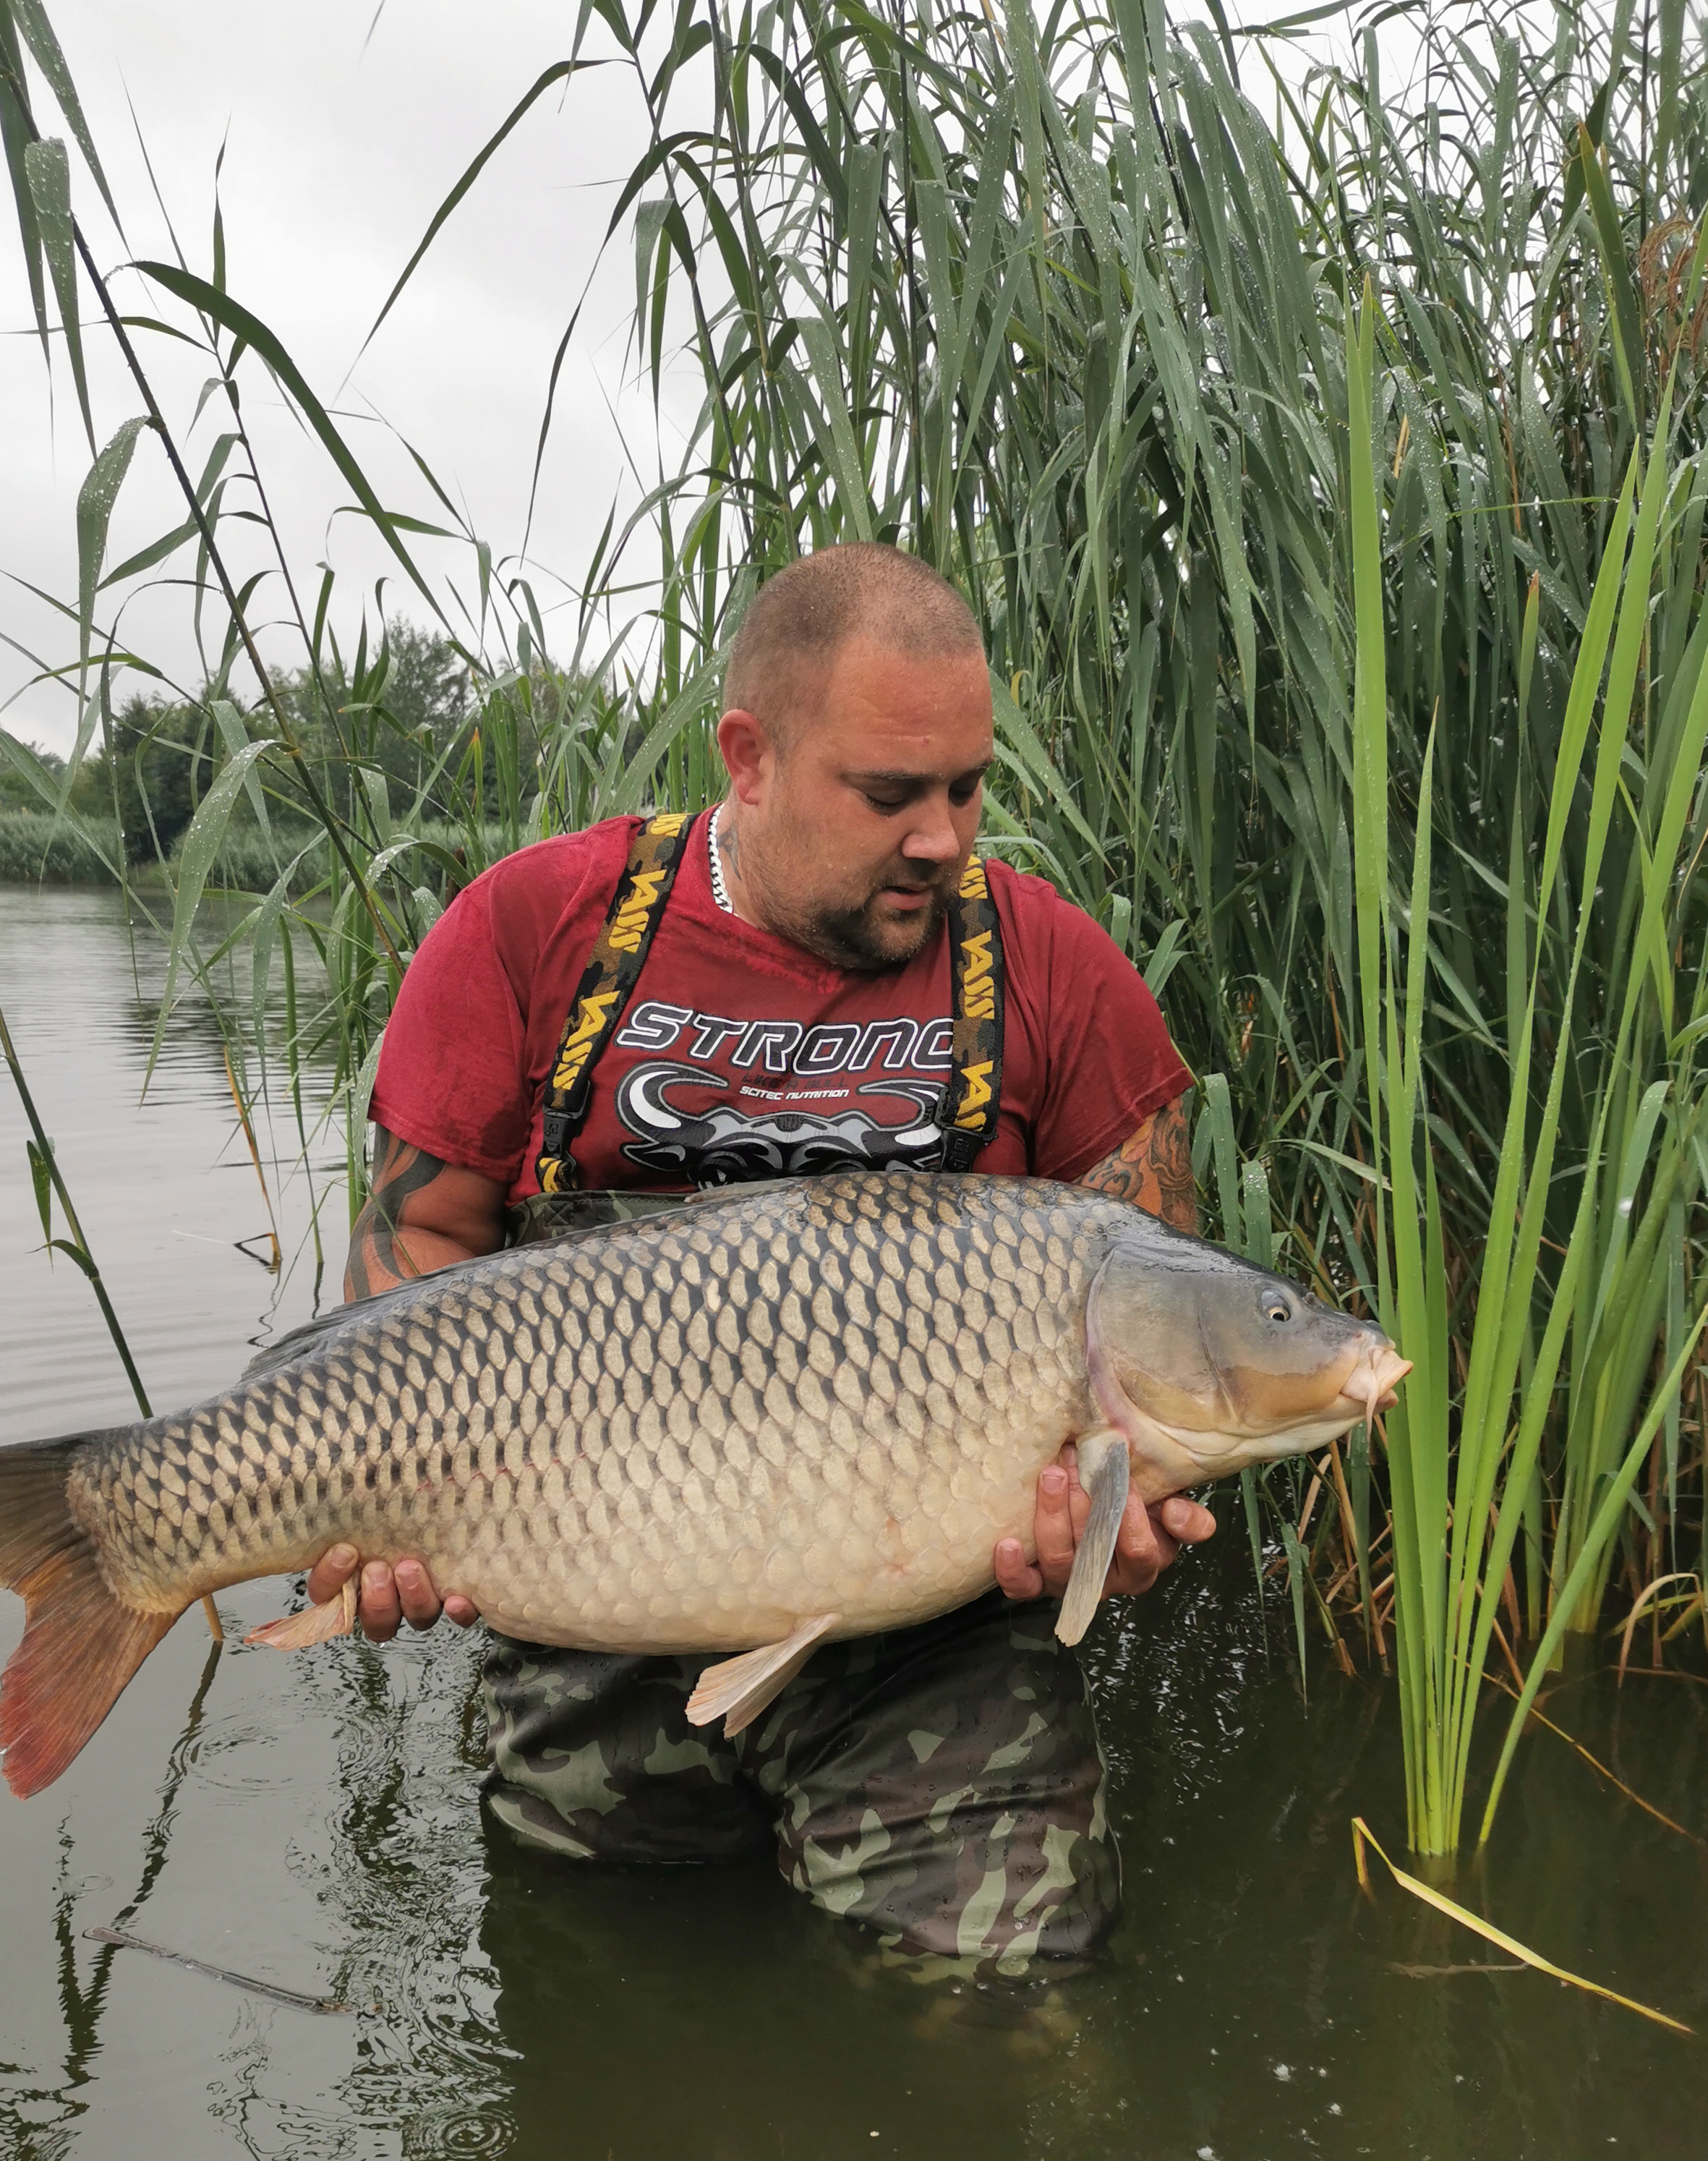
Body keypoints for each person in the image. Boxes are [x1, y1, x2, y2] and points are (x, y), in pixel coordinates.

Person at [310, 545, 1214, 1969]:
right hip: (593, 1592)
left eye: (967, 789)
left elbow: (1163, 1310)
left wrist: (1126, 1521)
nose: (944, 839)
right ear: (750, 757)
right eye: (889, 794)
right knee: (603, 1997)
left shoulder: (1053, 971)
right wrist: (386, 1496)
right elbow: (418, 1232)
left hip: (932, 1638)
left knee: (1005, 2009)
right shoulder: (538, 929)